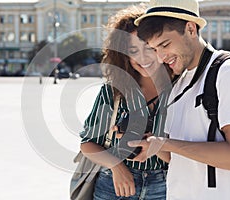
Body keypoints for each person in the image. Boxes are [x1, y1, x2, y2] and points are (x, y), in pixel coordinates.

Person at [127, 0, 230, 199]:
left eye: (165, 45)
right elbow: (177, 158)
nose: (160, 57)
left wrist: (168, 144)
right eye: (154, 49)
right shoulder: (178, 84)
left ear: (191, 29)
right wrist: (151, 143)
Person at [79, 4, 173, 200]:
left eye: (148, 47)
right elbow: (88, 144)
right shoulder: (114, 91)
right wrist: (116, 166)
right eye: (133, 50)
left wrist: (155, 146)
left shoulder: (180, 91)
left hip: (165, 185)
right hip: (113, 186)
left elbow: (184, 154)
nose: (143, 57)